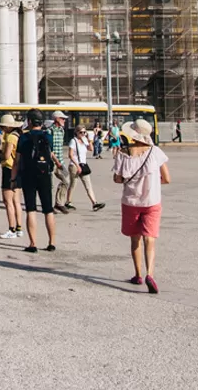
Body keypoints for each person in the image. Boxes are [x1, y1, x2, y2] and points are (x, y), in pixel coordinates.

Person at [112, 119, 170, 294]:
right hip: (152, 201)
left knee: (135, 238)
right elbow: (167, 178)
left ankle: (137, 274)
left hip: (131, 202)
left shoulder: (123, 153)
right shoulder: (155, 152)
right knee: (150, 239)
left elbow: (117, 179)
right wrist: (152, 181)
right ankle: (150, 274)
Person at [12, 108, 60, 253]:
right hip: (45, 174)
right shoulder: (48, 136)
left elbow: (17, 161)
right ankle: (51, 242)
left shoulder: (24, 138)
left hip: (28, 176)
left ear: (30, 121)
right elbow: (50, 154)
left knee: (31, 209)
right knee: (48, 210)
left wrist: (13, 178)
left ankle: (33, 244)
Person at [0, 113, 24, 239]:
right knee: (17, 201)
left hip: (8, 168)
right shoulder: (19, 135)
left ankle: (11, 229)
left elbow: (6, 156)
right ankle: (19, 228)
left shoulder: (11, 137)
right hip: (18, 169)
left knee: (8, 201)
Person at [67, 126, 105, 212]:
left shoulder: (84, 140)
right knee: (73, 185)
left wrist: (88, 139)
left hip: (83, 165)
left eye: (84, 132)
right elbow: (70, 155)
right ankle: (68, 202)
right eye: (81, 132)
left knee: (88, 185)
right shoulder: (73, 141)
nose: (83, 134)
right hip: (74, 165)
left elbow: (91, 149)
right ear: (76, 132)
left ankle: (94, 203)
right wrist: (77, 165)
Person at [49, 111, 71, 215]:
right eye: (62, 118)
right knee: (50, 185)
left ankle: (59, 203)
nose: (64, 120)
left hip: (60, 162)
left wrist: (60, 162)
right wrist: (56, 161)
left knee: (66, 180)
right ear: (57, 119)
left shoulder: (62, 130)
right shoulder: (50, 131)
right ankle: (48, 206)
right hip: (51, 162)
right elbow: (49, 149)